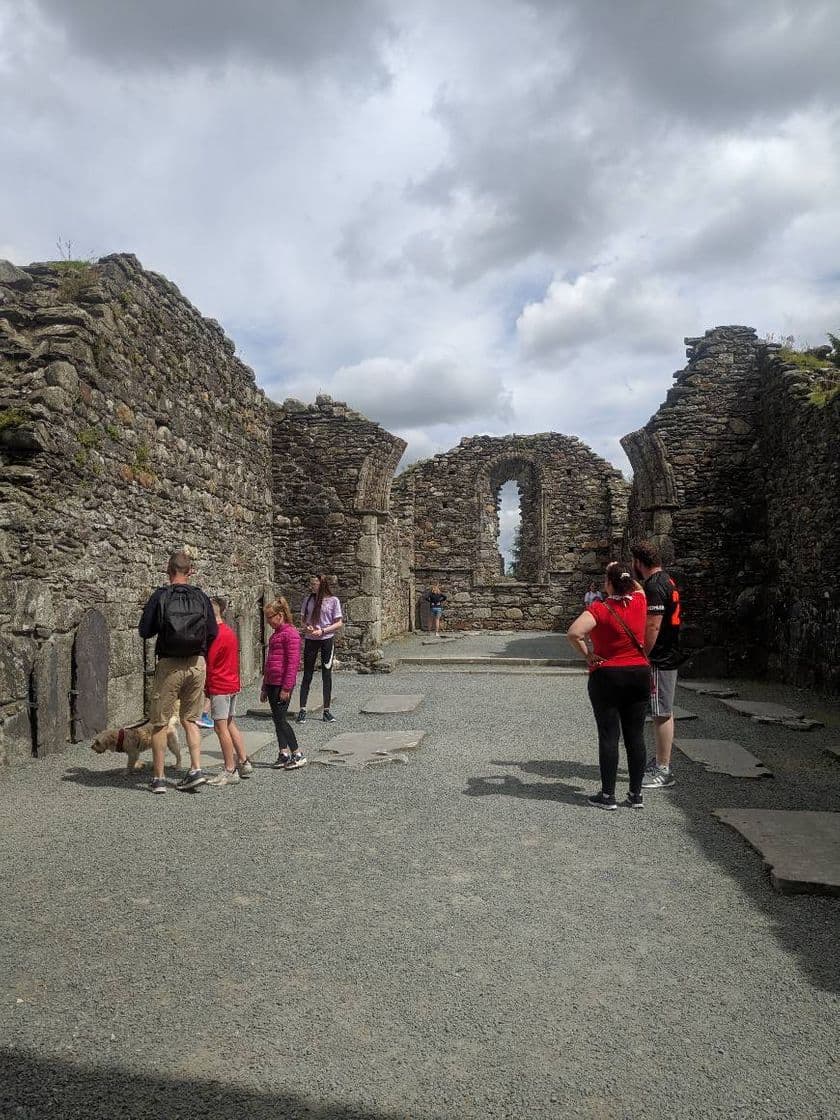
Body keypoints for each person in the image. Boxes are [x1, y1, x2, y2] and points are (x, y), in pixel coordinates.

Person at [566, 562, 650, 810]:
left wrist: (588, 655)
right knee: (635, 735)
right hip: (639, 673)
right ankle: (636, 795)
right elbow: (639, 588)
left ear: (609, 584)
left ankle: (608, 795)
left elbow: (574, 633)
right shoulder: (640, 602)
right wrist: (622, 571)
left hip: (608, 676)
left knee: (609, 735)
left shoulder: (600, 609)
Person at [138, 549, 218, 794]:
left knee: (160, 722)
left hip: (169, 664)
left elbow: (145, 631)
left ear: (168, 570)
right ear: (190, 571)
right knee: (190, 720)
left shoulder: (160, 596)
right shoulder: (201, 597)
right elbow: (213, 631)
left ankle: (159, 778)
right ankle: (195, 770)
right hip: (197, 663)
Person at [631, 540, 683, 790]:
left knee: (661, 713)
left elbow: (653, 625)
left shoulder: (653, 585)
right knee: (662, 711)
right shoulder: (667, 580)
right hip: (669, 654)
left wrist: (643, 653)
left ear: (638, 562)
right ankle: (660, 762)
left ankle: (663, 769)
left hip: (659, 659)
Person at [205, 596, 254, 787]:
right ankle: (243, 761)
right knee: (231, 722)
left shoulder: (215, 634)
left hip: (220, 685)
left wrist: (206, 689)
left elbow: (209, 662)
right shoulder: (229, 631)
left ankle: (229, 769)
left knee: (220, 727)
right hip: (232, 683)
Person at [261, 596, 305, 769]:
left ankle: (297, 753)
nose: (268, 621)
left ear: (280, 615)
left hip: (282, 683)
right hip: (272, 681)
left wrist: (286, 687)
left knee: (281, 719)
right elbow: (270, 662)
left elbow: (293, 664)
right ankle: (283, 753)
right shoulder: (276, 635)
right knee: (277, 719)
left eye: (270, 617)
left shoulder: (291, 634)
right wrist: (265, 686)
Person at [297, 574, 343, 724]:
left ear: (322, 585)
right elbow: (303, 620)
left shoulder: (333, 601)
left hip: (326, 640)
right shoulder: (308, 600)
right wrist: (307, 628)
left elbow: (338, 623)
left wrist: (323, 631)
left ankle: (326, 711)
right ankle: (302, 709)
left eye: (314, 584)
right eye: (311, 584)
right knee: (307, 675)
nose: (312, 587)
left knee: (326, 675)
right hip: (311, 640)